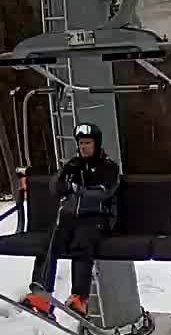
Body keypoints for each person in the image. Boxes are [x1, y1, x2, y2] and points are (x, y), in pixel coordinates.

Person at [23, 123, 121, 319]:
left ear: (96, 144)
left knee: (82, 243)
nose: (84, 147)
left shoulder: (108, 167)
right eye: (81, 143)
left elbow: (104, 192)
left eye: (88, 143)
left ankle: (79, 297)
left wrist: (77, 189)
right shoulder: (74, 165)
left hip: (96, 217)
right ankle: (41, 294)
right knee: (50, 242)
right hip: (70, 216)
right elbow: (55, 187)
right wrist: (62, 181)